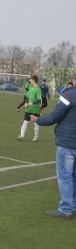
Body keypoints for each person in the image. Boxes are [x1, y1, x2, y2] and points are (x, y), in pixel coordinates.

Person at [30, 73, 76, 220]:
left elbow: (55, 116)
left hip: (68, 142)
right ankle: (73, 205)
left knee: (65, 177)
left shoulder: (68, 94)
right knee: (74, 176)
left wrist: (38, 120)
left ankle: (65, 209)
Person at [16, 75, 41, 142]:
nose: (30, 80)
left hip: (35, 109)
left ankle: (35, 137)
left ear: (34, 80)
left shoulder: (38, 89)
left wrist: (31, 103)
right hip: (28, 109)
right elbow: (27, 97)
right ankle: (21, 136)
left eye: (31, 80)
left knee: (36, 123)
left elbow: (39, 100)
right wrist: (26, 103)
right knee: (25, 122)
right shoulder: (30, 88)